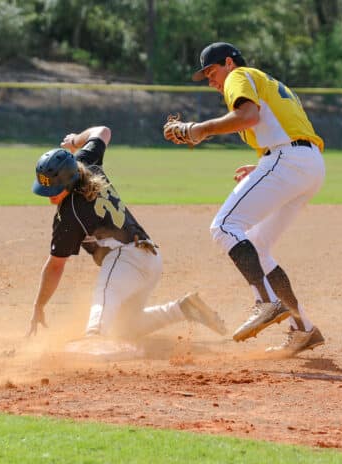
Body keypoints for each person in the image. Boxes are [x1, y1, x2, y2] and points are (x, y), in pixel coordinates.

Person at [163, 42, 326, 357]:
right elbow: (289, 131)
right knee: (257, 245)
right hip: (308, 164)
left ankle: (266, 301)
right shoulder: (270, 83)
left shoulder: (239, 76)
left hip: (288, 160)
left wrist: (197, 130)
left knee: (224, 226)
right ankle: (303, 328)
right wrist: (266, 163)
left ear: (228, 62)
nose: (211, 81)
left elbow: (247, 116)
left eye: (212, 72)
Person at [27, 125, 227, 343]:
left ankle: (93, 338)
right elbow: (103, 131)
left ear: (69, 180)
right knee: (125, 328)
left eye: (55, 189)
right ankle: (182, 309)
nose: (50, 196)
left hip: (125, 259)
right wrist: (76, 140)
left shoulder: (69, 214)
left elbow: (55, 266)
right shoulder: (85, 165)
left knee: (104, 293)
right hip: (149, 257)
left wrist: (39, 306)